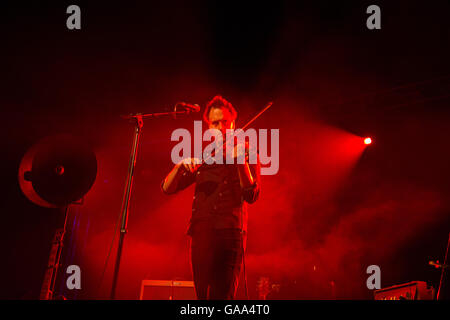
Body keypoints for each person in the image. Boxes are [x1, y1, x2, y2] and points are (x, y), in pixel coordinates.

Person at [161, 95, 261, 299]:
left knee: (222, 297)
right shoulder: (202, 155)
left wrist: (240, 161)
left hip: (229, 232)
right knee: (201, 295)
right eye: (216, 123)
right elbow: (167, 188)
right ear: (209, 128)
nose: (222, 127)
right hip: (201, 232)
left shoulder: (247, 151)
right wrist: (179, 166)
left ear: (234, 124)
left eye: (226, 122)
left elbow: (251, 194)